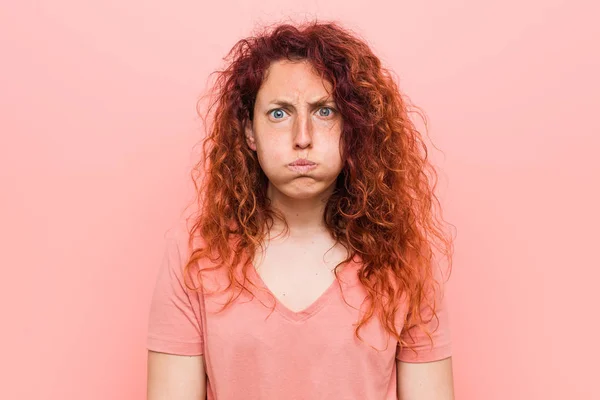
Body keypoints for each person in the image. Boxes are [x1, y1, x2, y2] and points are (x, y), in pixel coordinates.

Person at [146, 20, 455, 400]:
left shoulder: (402, 257)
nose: (302, 138)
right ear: (248, 132)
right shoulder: (194, 254)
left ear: (353, 127)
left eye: (325, 111)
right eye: (279, 113)